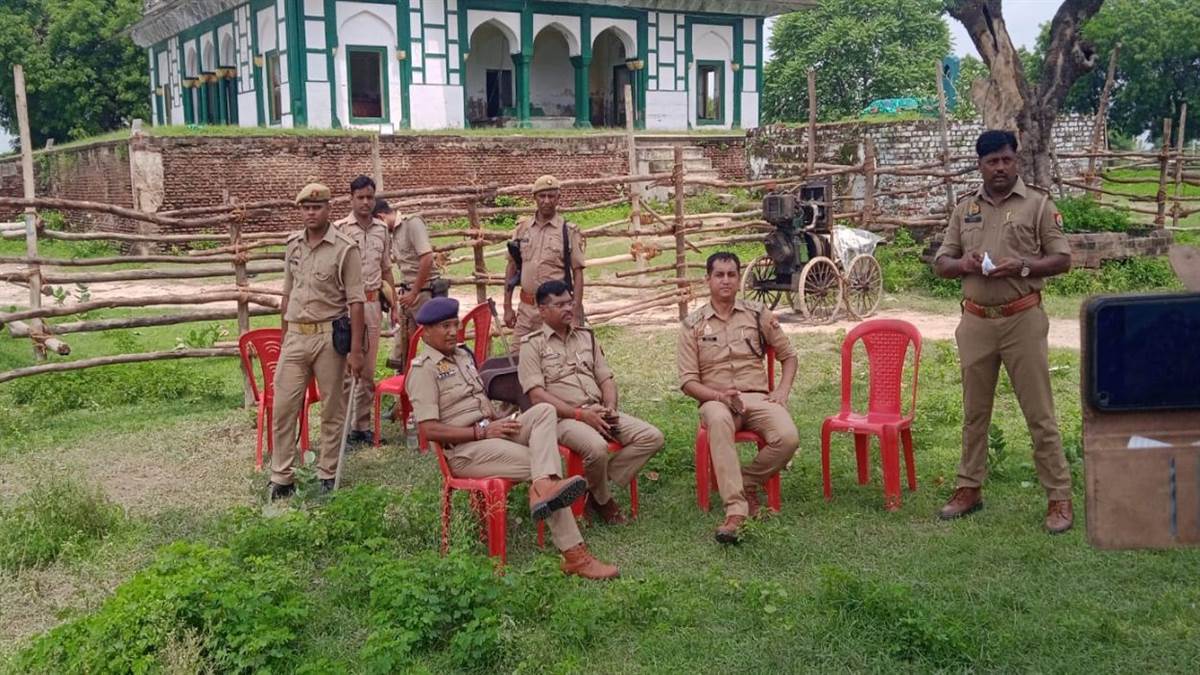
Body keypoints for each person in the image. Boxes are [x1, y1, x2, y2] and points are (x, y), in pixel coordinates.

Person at [406, 297, 620, 579]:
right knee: (542, 464)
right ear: (426, 332)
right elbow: (429, 430)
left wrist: (497, 422)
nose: (452, 331)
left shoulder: (462, 356)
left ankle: (543, 486)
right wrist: (481, 431)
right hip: (466, 450)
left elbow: (479, 401)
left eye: (454, 324)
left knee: (543, 410)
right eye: (444, 326)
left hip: (492, 430)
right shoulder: (423, 370)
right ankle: (575, 555)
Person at [932, 129, 1075, 533]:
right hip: (976, 321)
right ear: (980, 165)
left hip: (1022, 320)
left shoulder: (1039, 205)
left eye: (1006, 160)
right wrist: (965, 265)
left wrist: (1023, 265)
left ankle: (1059, 497)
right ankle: (968, 488)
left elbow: (1062, 259)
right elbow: (942, 262)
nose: (1000, 167)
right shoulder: (965, 210)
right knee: (974, 413)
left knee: (1040, 414)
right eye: (992, 161)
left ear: (1017, 160)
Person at [518, 280, 664, 524]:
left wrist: (610, 408)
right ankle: (604, 501)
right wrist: (580, 414)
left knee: (652, 437)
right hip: (562, 418)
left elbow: (606, 378)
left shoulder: (587, 337)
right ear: (542, 310)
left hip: (598, 410)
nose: (568, 308)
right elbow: (537, 395)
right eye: (559, 304)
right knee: (596, 447)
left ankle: (589, 488)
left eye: (570, 301)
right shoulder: (532, 346)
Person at [677, 252, 799, 543]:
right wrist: (720, 395)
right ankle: (736, 510)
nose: (726, 281)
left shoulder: (758, 314)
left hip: (757, 397)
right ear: (707, 279)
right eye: (719, 275)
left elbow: (789, 356)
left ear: (738, 279)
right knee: (718, 419)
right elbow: (687, 382)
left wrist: (781, 392)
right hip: (717, 401)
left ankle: (743, 481)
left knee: (788, 437)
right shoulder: (692, 325)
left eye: (731, 274)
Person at [269, 183, 366, 499]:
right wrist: (284, 336)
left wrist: (355, 351)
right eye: (306, 208)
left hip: (329, 337)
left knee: (331, 409)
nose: (311, 212)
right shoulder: (293, 245)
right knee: (284, 407)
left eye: (317, 207)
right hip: (296, 334)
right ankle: (281, 477)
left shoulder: (344, 249)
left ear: (328, 209)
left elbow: (356, 302)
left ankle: (327, 473)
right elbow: (287, 293)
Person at [334, 176, 395, 445]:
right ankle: (342, 431)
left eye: (370, 197)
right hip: (346, 307)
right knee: (346, 373)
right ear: (351, 198)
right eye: (360, 197)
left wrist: (392, 304)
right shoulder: (340, 230)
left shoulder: (382, 229)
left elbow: (386, 270)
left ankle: (361, 425)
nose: (366, 202)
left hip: (372, 305)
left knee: (368, 372)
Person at [503, 175, 585, 342]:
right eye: (542, 196)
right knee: (519, 358)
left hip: (555, 310)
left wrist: (575, 310)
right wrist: (507, 306)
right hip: (526, 310)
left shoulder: (568, 231)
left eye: (551, 196)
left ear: (558, 198)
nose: (546, 201)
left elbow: (578, 272)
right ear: (534, 198)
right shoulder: (522, 229)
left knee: (556, 361)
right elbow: (511, 267)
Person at [378, 198, 440, 373]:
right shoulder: (393, 233)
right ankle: (406, 385)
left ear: (381, 217)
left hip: (425, 291)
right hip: (409, 293)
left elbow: (427, 258)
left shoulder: (412, 223)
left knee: (434, 341)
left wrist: (414, 292)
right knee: (405, 345)